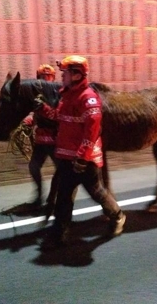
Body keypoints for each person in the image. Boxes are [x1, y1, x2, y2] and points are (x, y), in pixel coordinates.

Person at [34, 55, 125, 248]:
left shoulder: (89, 99)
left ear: (76, 75)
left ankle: (118, 216)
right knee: (63, 196)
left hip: (85, 160)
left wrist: (82, 158)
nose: (62, 76)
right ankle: (60, 231)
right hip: (67, 157)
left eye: (65, 73)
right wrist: (42, 109)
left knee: (97, 192)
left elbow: (91, 133)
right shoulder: (67, 95)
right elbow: (59, 116)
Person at [19, 64, 58, 212]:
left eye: (48, 77)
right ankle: (39, 196)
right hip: (41, 140)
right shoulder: (37, 95)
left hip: (56, 139)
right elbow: (36, 115)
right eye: (43, 77)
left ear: (53, 78)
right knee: (34, 167)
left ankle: (54, 200)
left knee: (60, 171)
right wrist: (29, 121)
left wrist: (44, 109)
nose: (45, 79)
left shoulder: (59, 93)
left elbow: (59, 115)